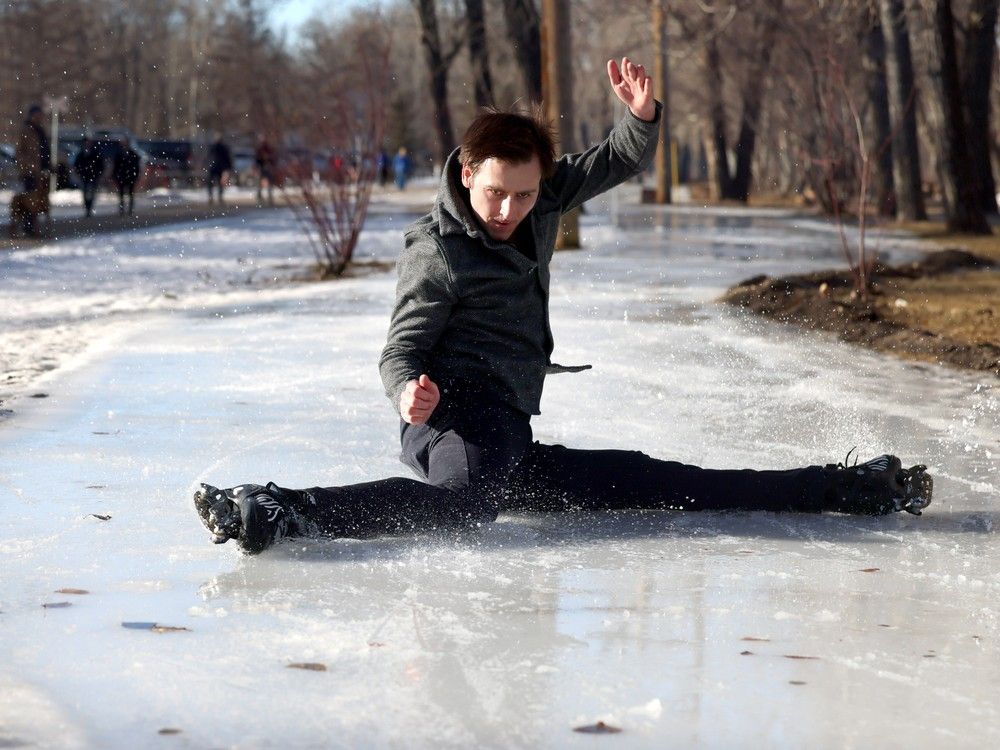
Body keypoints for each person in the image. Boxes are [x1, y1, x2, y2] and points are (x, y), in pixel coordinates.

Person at [194, 57, 933, 555]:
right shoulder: (439, 249)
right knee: (465, 509)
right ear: (465, 171)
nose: (510, 209)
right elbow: (400, 348)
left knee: (667, 484)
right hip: (453, 421)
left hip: (506, 433)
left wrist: (641, 117)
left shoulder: (541, 195)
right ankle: (283, 508)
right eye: (495, 192)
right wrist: (407, 390)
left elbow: (612, 158)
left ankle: (852, 488)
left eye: (523, 193)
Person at [9, 104, 50, 237]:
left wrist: (46, 165)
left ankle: (31, 226)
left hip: (40, 171)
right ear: (32, 115)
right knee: (29, 201)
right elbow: (19, 152)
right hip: (29, 172)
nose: (39, 117)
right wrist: (29, 166)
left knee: (38, 200)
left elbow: (44, 150)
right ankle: (28, 227)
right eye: (37, 115)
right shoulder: (26, 130)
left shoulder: (40, 130)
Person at [74, 137, 105, 217]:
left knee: (91, 193)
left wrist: (98, 174)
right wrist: (79, 173)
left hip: (93, 176)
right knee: (85, 193)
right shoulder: (81, 154)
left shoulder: (95, 153)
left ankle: (89, 208)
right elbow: (77, 165)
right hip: (84, 176)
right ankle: (87, 208)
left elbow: (100, 165)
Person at [112, 138, 141, 215]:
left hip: (130, 176)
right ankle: (122, 209)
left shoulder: (133, 154)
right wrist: (115, 176)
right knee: (121, 194)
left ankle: (130, 209)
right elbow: (115, 167)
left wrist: (136, 175)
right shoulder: (119, 154)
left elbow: (136, 166)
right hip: (121, 177)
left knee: (130, 194)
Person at [207, 136, 232, 204]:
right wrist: (228, 167)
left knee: (211, 183)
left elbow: (208, 157)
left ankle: (211, 196)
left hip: (213, 167)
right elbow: (227, 158)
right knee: (219, 183)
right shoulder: (223, 148)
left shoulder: (213, 147)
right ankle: (219, 196)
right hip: (220, 167)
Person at [254, 135, 276, 205]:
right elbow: (257, 159)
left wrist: (270, 163)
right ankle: (260, 197)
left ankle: (268, 197)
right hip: (262, 167)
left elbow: (273, 159)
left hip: (267, 167)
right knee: (260, 183)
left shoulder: (269, 149)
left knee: (268, 183)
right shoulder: (260, 149)